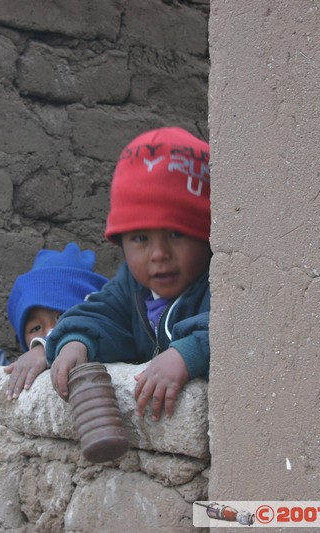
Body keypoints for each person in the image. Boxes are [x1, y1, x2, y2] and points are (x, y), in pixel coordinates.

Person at [45, 126, 211, 421]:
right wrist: (75, 342)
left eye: (176, 233)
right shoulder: (131, 287)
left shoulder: (222, 283)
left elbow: (242, 327)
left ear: (208, 235)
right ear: (120, 242)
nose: (159, 254)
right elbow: (100, 315)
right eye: (140, 239)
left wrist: (188, 354)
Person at [0, 242, 108, 398]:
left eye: (62, 317)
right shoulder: (31, 362)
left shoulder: (102, 343)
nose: (49, 333)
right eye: (35, 328)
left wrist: (46, 349)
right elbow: (9, 369)